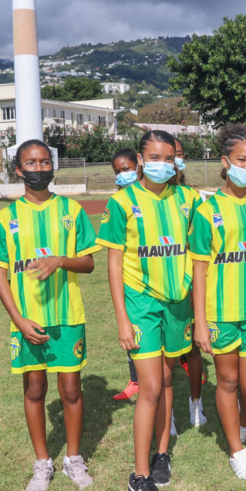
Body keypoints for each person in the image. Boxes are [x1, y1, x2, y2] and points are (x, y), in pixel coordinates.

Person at [97, 130, 200, 491]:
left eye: (168, 157)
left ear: (177, 160)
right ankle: (139, 478)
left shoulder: (188, 199)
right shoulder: (122, 202)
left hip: (178, 304)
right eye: (154, 157)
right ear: (140, 160)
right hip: (140, 305)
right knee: (151, 387)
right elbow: (112, 265)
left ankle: (161, 455)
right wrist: (122, 319)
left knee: (168, 377)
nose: (162, 164)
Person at [0, 139, 99, 491]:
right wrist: (18, 320)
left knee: (70, 388)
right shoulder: (7, 218)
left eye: (44, 162)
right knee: (35, 388)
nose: (39, 168)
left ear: (53, 166)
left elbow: (89, 262)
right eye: (31, 163)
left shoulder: (72, 209)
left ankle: (74, 459)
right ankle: (42, 462)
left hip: (67, 316)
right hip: (27, 319)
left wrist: (60, 261)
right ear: (18, 170)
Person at [190, 124, 246, 483]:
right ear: (225, 162)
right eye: (242, 160)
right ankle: (238, 450)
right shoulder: (207, 211)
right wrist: (201, 321)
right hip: (221, 314)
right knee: (228, 380)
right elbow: (200, 271)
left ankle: (242, 423)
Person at [172, 136, 207, 428]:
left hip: (189, 286)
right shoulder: (137, 197)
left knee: (192, 349)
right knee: (162, 358)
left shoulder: (191, 197)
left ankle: (196, 403)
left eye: (178, 154)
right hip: (156, 290)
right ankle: (167, 413)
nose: (173, 160)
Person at [110, 148, 140, 401]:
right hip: (132, 286)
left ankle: (185, 362)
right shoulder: (118, 202)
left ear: (139, 165)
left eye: (127, 169)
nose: (123, 175)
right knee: (131, 335)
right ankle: (135, 381)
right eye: (118, 172)